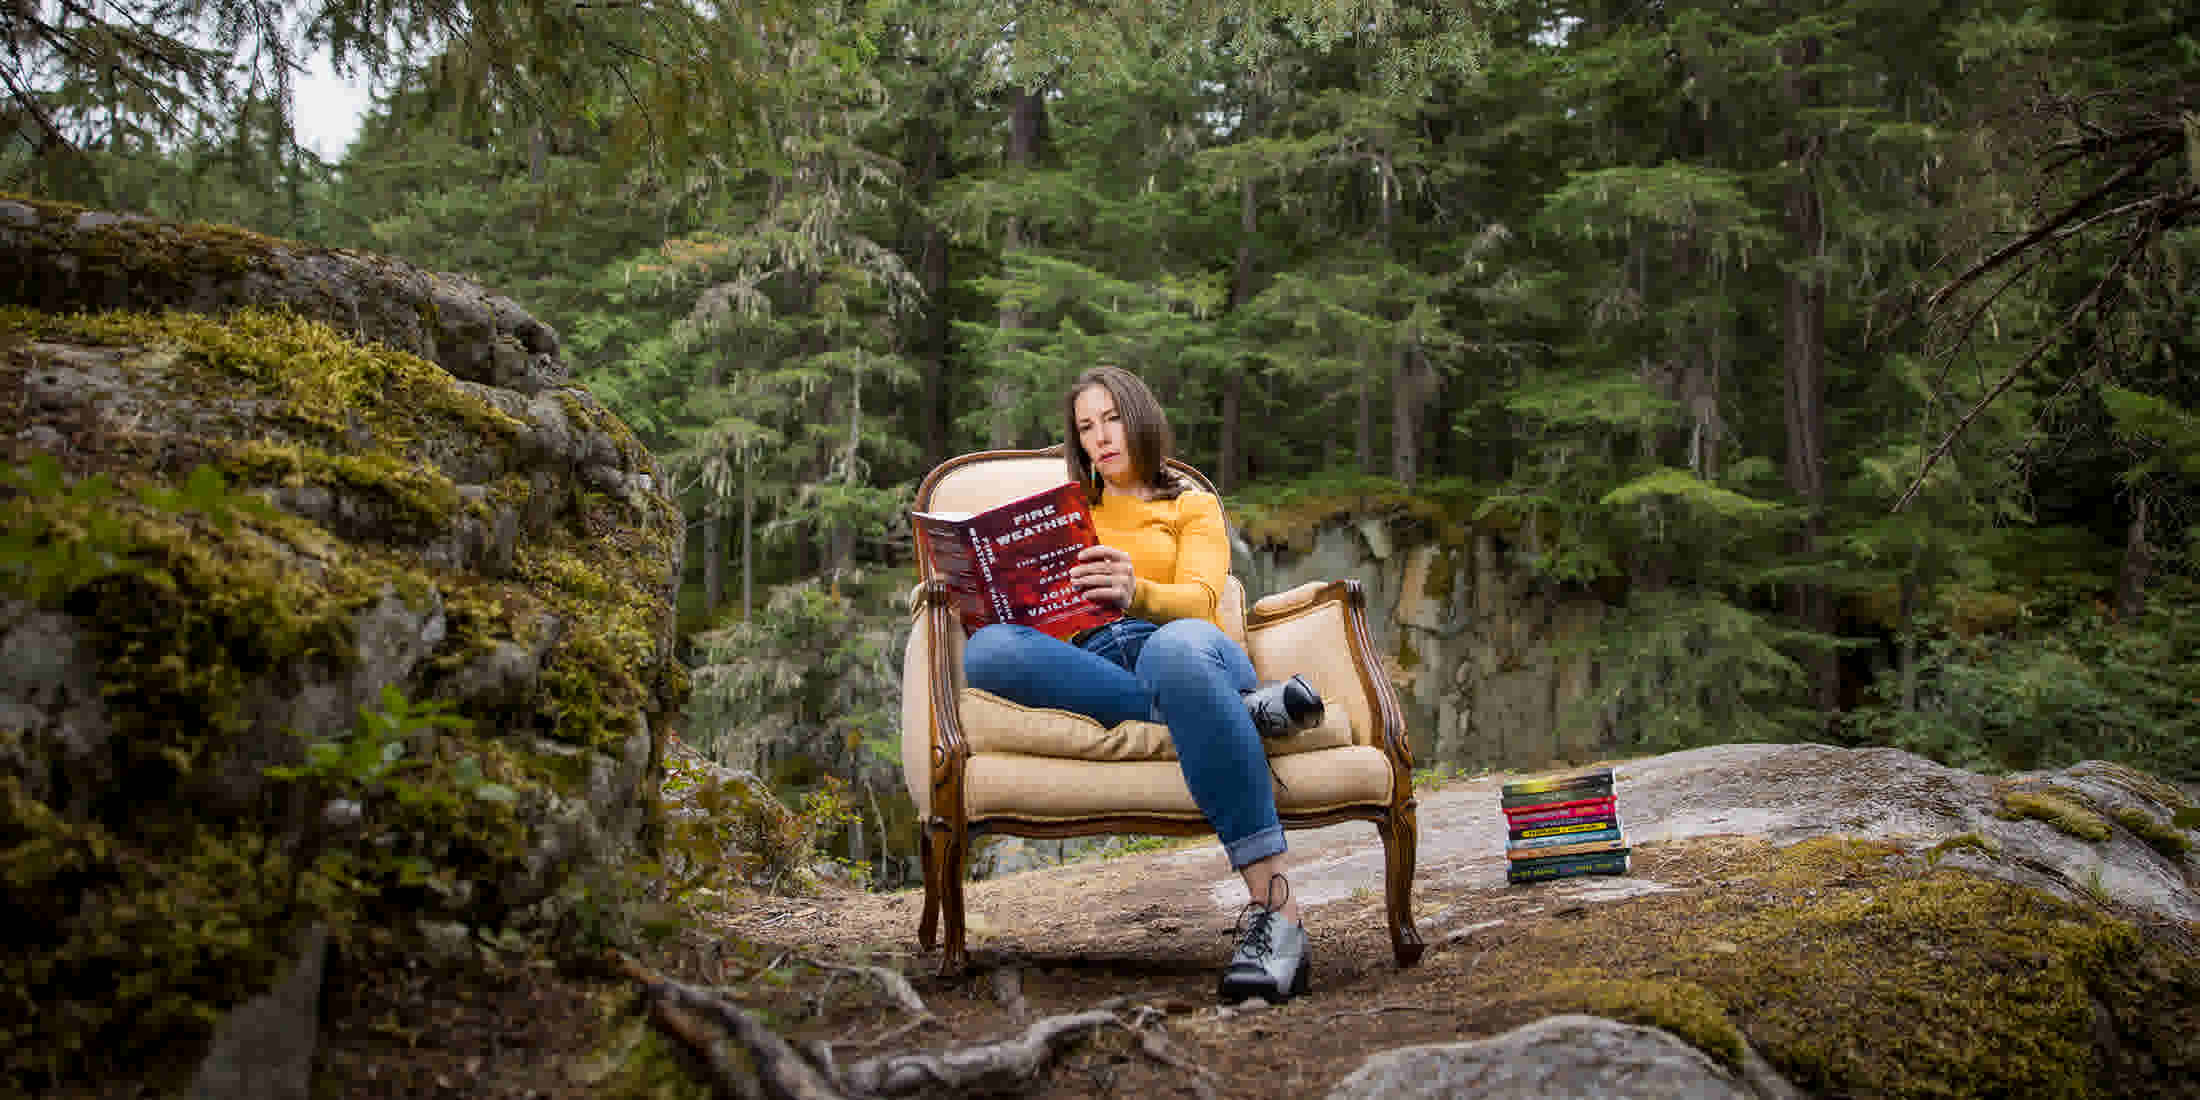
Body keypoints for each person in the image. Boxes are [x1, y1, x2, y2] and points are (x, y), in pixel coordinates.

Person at [962, 365, 1323, 1004]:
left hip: (1192, 652)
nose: (1100, 436)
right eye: (1085, 427)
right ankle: (1244, 713)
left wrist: (1138, 591)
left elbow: (1204, 604)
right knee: (989, 650)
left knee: (1178, 649)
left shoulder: (1191, 505)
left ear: (1140, 417)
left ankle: (1279, 915)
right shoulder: (1068, 516)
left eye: (1111, 418)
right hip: (1098, 670)